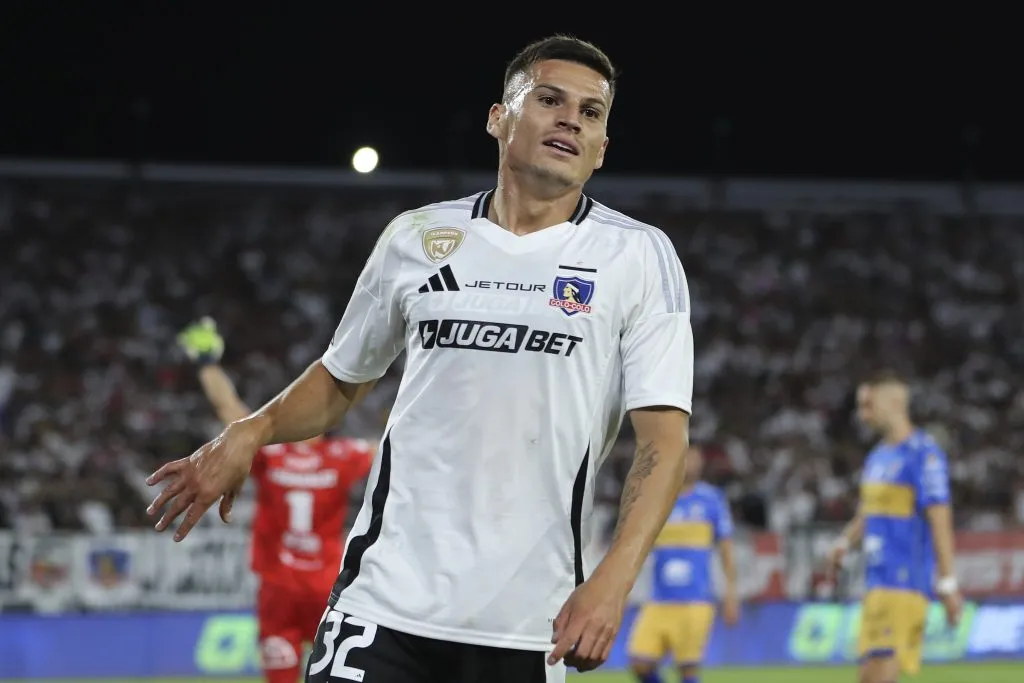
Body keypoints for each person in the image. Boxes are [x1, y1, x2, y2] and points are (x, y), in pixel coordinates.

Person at [148, 34, 694, 683]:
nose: (571, 119)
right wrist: (252, 428)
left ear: (601, 148)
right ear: (499, 118)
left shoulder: (638, 256)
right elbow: (341, 378)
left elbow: (663, 442)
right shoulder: (417, 236)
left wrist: (613, 580)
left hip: (524, 618)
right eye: (550, 100)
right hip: (383, 597)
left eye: (591, 112)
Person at [177, 318, 373, 683]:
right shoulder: (344, 456)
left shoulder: (271, 453)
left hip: (278, 588)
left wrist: (207, 363)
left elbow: (229, 410)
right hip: (325, 587)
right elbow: (394, 444)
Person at [827, 370, 962, 683]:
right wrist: (844, 542)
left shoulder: (923, 454)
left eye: (868, 405)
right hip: (877, 580)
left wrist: (947, 583)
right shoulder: (878, 456)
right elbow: (869, 511)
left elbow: (940, 518)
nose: (863, 415)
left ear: (894, 403)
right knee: (868, 677)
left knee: (881, 675)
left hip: (904, 581)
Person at [626, 445, 739, 683]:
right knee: (639, 662)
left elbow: (726, 550)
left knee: (687, 668)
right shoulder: (658, 498)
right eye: (685, 457)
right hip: (659, 599)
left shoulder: (712, 499)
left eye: (695, 458)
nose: (690, 463)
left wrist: (731, 594)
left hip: (695, 600)